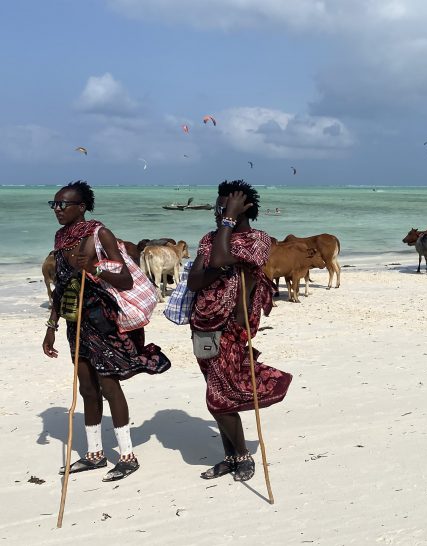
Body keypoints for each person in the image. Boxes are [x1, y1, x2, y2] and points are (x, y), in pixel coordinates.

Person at [42, 181, 171, 482]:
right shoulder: (61, 238)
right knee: (86, 388)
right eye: (54, 205)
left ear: (81, 207)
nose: (57, 210)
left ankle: (127, 456)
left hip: (103, 321)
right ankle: (95, 455)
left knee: (109, 387)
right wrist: (51, 326)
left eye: (63, 204)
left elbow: (125, 278)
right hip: (76, 323)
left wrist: (96, 268)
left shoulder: (100, 234)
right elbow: (61, 286)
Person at [187, 180, 292, 482]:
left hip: (235, 327)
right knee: (215, 390)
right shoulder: (209, 238)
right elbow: (194, 281)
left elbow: (218, 260)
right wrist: (216, 263)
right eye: (218, 206)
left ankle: (242, 455)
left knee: (217, 396)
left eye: (224, 207)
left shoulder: (258, 239)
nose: (218, 212)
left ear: (243, 209)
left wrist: (229, 222)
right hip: (203, 323)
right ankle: (231, 455)